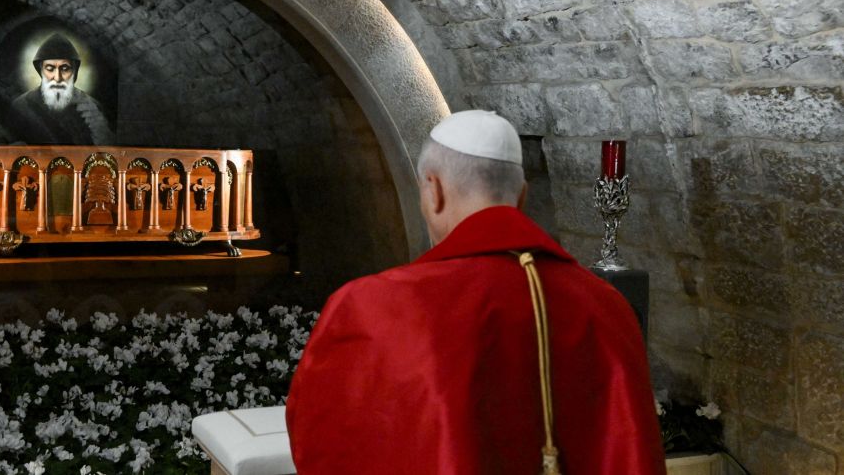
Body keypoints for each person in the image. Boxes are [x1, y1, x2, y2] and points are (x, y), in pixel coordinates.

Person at [285, 110, 666, 474]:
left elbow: (322, 440)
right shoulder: (606, 306)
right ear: (520, 197)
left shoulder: (369, 307)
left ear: (432, 191)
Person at [9, 34, 113, 145]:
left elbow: (106, 153)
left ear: (74, 71)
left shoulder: (93, 107)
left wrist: (101, 132)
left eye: (65, 69)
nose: (57, 77)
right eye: (50, 69)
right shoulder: (21, 106)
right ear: (41, 71)